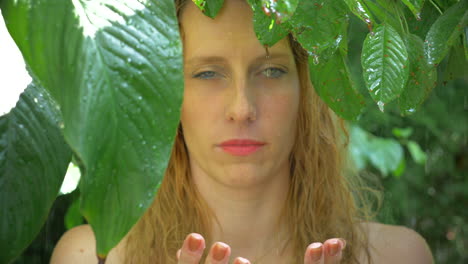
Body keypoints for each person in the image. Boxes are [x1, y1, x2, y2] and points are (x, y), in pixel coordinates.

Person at [50, 0, 434, 263]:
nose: (242, 109)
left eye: (270, 71)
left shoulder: (398, 256)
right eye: (207, 73)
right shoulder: (90, 256)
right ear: (166, 94)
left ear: (306, 90)